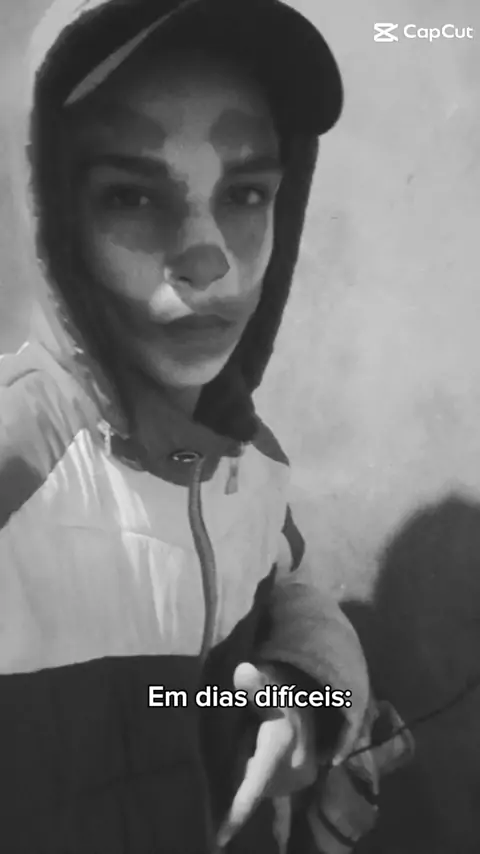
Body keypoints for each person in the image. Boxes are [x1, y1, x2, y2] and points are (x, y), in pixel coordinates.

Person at [0, 0, 413, 851]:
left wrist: (303, 698)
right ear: (52, 211)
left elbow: (287, 593)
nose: (209, 257)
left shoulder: (243, 456)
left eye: (247, 192)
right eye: (131, 194)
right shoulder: (19, 464)